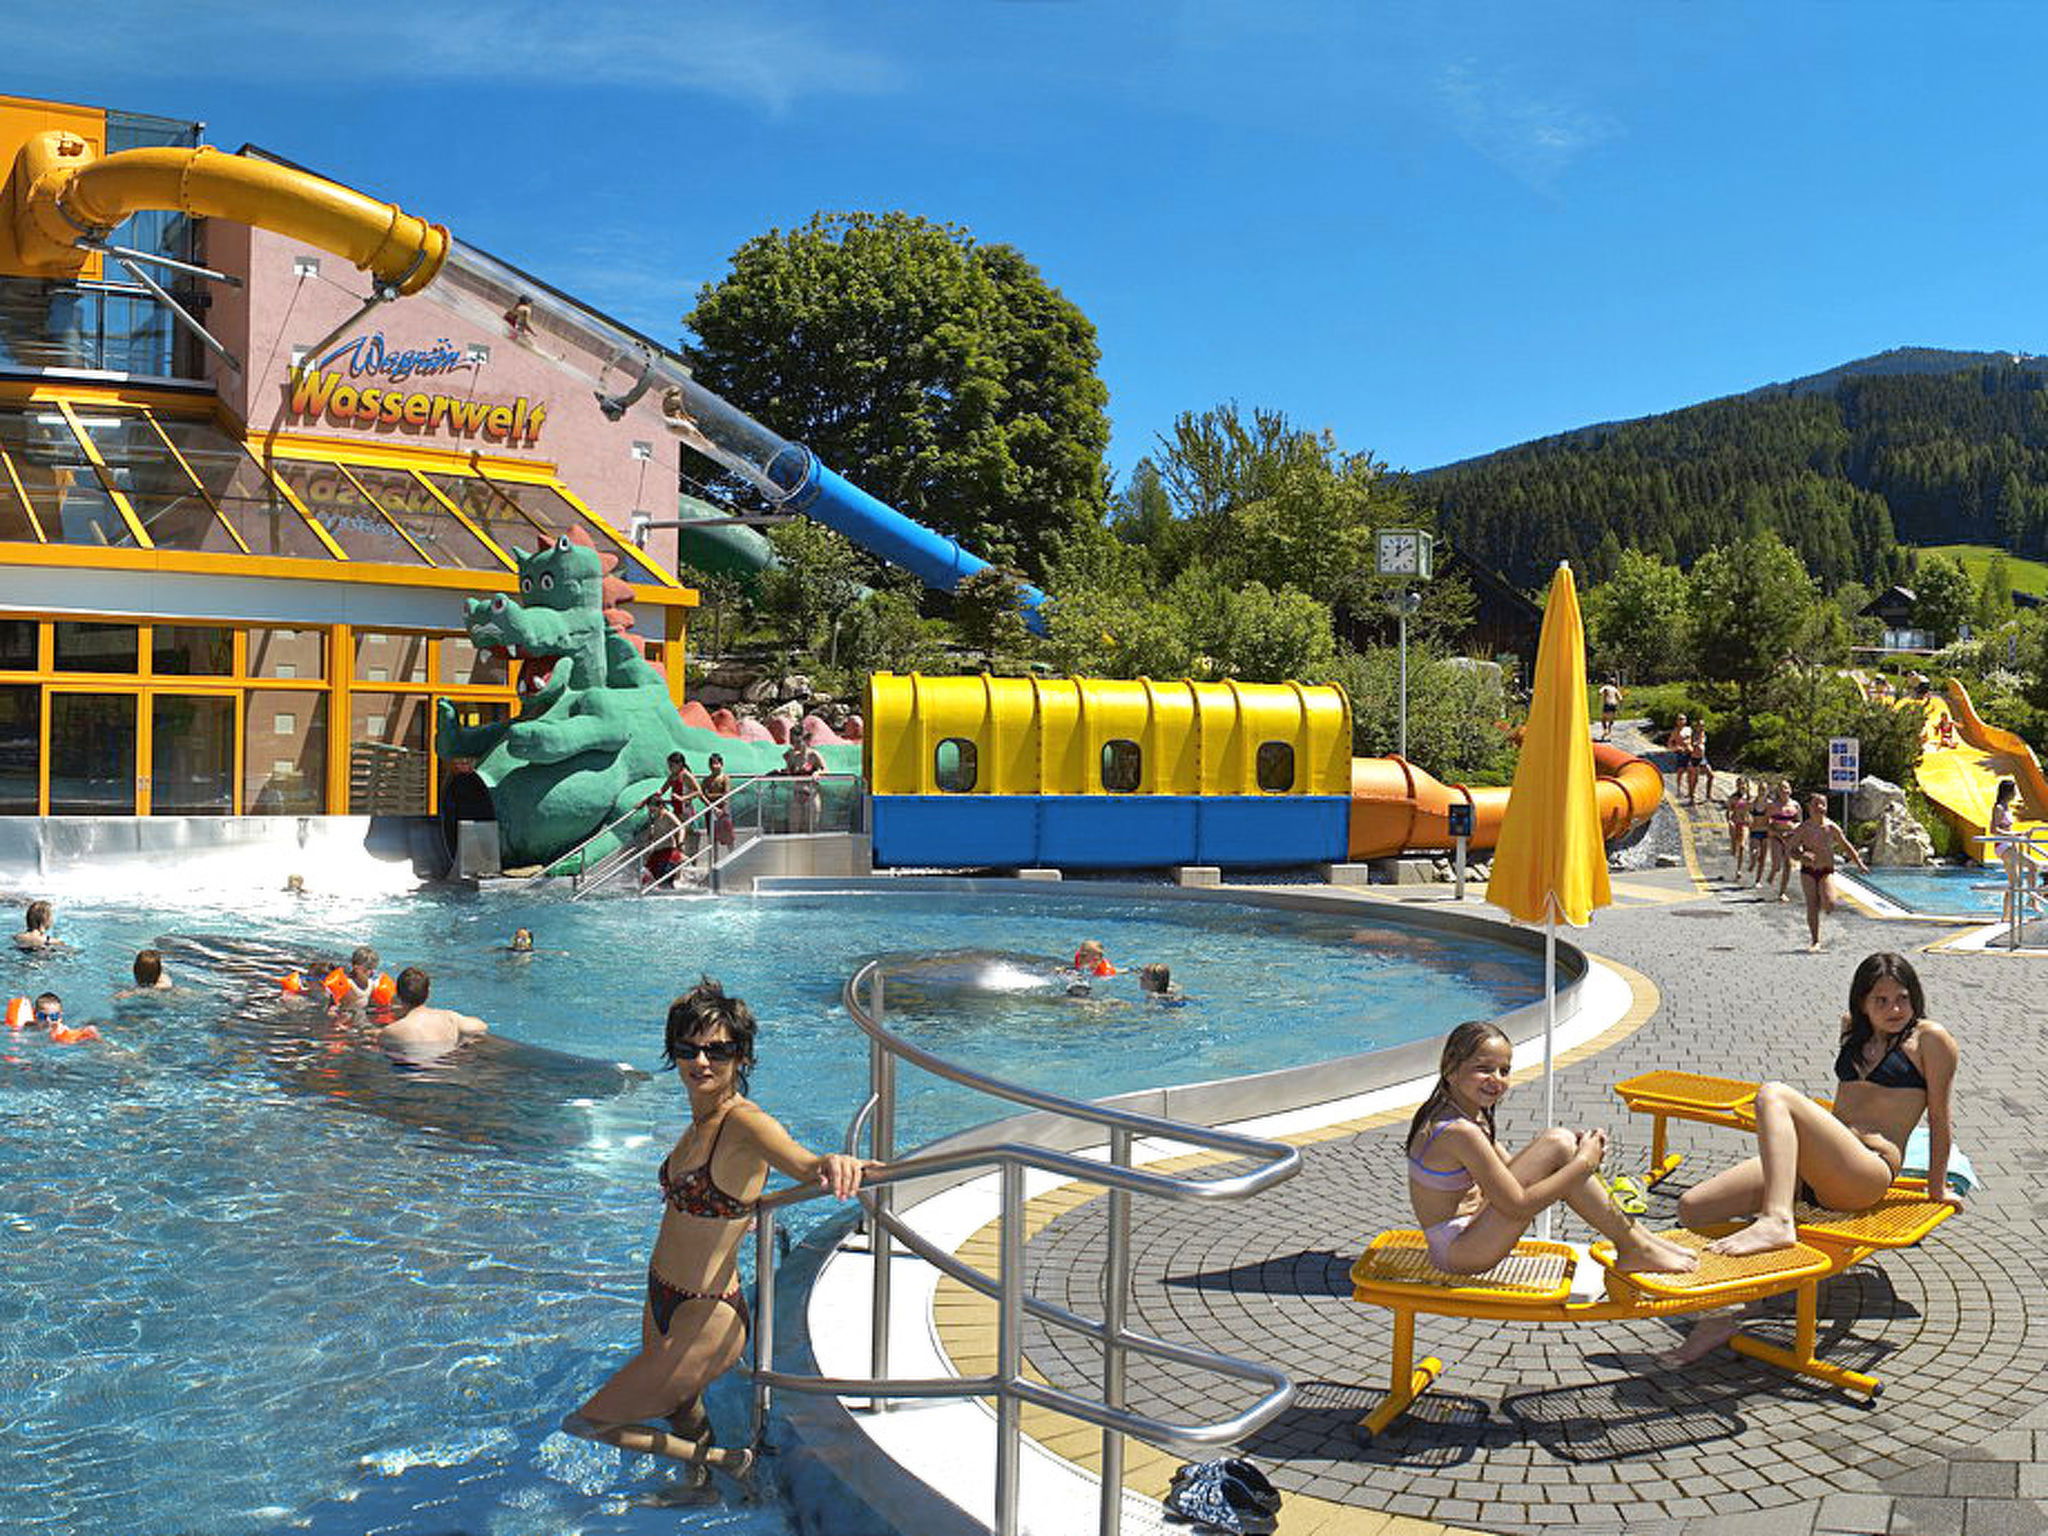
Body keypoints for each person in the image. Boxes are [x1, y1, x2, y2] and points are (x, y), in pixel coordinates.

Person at [563, 977, 875, 1472]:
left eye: (718, 1050)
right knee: (680, 1410)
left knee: (588, 1422)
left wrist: (834, 1163)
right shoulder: (699, 1120)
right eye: (688, 1049)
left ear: (742, 1057)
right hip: (663, 1294)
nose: (701, 1061)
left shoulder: (745, 1123)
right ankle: (701, 1484)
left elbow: (804, 1163)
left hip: (708, 1313)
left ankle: (731, 1462)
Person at [1675, 953, 1959, 1279]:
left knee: (1773, 1093)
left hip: (1865, 1172)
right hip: (1816, 1167)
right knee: (1691, 1208)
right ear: (1862, 1002)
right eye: (1880, 1000)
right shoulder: (1852, 1029)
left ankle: (1776, 1220)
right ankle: (1751, 1273)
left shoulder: (1929, 1039)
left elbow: (1939, 1118)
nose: (1894, 1009)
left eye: (1902, 999)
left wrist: (1936, 1189)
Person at [1404, 1020, 1697, 1276]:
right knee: (1560, 1145)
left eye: (1504, 1070)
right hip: (1460, 1252)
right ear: (1451, 1069)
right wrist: (1584, 1162)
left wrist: (1574, 1157)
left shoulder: (1462, 1114)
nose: (1497, 1079)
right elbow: (1518, 1205)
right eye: (1483, 1069)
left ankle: (1641, 1241)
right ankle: (1636, 1247)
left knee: (1561, 1143)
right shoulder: (1459, 1131)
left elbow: (1511, 1174)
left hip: (1470, 1235)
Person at [1787, 793, 1869, 951]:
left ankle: (1825, 903)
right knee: (1812, 905)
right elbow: (1791, 849)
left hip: (1826, 870)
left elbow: (1846, 846)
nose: (1819, 807)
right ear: (1809, 808)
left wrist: (1859, 863)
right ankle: (1815, 941)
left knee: (1829, 904)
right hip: (1808, 871)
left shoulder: (1831, 828)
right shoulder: (1804, 828)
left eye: (1823, 804)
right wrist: (1802, 856)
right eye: (1816, 804)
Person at [375, 967, 488, 1063]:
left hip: (415, 1075)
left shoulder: (392, 1031)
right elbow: (482, 1026)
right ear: (428, 992)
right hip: (449, 1068)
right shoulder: (451, 1019)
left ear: (398, 996)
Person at [1989, 778, 2022, 929]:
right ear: (2008, 792)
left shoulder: (2007, 807)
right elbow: (1993, 829)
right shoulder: (1999, 808)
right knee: (2032, 866)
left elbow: (2007, 828)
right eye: (2014, 790)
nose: (2016, 793)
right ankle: (2033, 901)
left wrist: (2016, 835)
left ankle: (2006, 916)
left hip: (2010, 844)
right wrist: (2013, 835)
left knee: (2014, 882)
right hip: (2002, 845)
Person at [781, 729, 825, 835]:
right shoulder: (793, 756)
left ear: (805, 741)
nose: (795, 745)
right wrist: (787, 762)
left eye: (798, 742)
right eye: (793, 742)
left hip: (811, 794)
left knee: (811, 826)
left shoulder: (813, 755)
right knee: (794, 826)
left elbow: (824, 769)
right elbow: (789, 772)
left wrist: (817, 773)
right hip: (797, 794)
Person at [1766, 779, 1801, 900]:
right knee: (1777, 865)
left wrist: (1793, 830)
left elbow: (1799, 822)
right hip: (1776, 836)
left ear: (1790, 790)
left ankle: (1782, 892)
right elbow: (1767, 823)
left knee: (1788, 864)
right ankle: (1773, 871)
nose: (1783, 791)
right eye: (1781, 788)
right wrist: (1775, 833)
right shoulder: (1773, 806)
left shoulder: (1795, 805)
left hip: (1790, 837)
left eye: (1786, 788)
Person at [29, 992, 99, 1045]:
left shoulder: (61, 1032)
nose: (48, 1020)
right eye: (42, 1016)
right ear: (35, 1014)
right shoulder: (30, 1024)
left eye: (53, 1017)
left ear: (60, 1017)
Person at [701, 754, 737, 852]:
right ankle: (714, 857)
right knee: (712, 836)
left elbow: (726, 794)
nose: (714, 766)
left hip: (723, 809)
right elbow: (702, 795)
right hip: (710, 809)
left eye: (716, 763)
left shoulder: (725, 778)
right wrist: (715, 797)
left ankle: (732, 855)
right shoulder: (706, 780)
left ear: (721, 764)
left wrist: (711, 796)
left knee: (728, 835)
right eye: (712, 764)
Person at [1725, 778, 1753, 879]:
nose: (1741, 786)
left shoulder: (1750, 798)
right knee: (1734, 849)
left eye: (1743, 784)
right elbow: (1728, 811)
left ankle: (1738, 869)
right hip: (1735, 822)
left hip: (1745, 824)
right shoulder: (1733, 798)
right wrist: (1729, 821)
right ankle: (1733, 862)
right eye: (1739, 784)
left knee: (1742, 846)